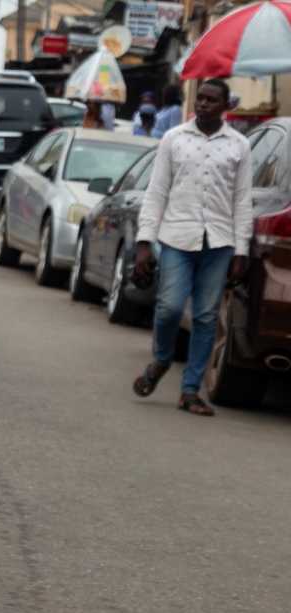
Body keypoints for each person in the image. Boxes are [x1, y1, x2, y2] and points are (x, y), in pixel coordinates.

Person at [131, 79, 252, 416]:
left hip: (219, 242)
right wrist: (144, 243)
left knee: (205, 316)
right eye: (200, 98)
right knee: (169, 308)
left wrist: (241, 250)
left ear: (225, 106)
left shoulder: (239, 146)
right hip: (176, 238)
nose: (203, 104)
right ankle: (161, 360)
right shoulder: (174, 139)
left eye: (211, 100)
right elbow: (156, 193)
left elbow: (242, 201)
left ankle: (190, 391)